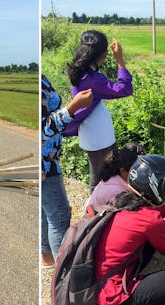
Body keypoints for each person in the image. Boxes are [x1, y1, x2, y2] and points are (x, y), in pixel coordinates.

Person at [94, 154, 165, 305]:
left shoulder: (121, 199)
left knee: (148, 243)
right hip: (111, 299)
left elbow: (142, 219)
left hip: (97, 284)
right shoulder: (150, 220)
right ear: (158, 188)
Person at [62, 30, 134, 193]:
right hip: (98, 137)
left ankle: (98, 209)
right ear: (104, 53)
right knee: (100, 179)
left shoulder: (82, 69)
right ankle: (93, 213)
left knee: (102, 176)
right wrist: (120, 60)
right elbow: (124, 89)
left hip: (94, 133)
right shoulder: (91, 78)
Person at [41, 73, 93, 268]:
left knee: (46, 210)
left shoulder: (41, 77)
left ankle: (47, 257)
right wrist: (73, 107)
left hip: (48, 157)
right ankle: (63, 275)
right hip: (45, 162)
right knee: (59, 216)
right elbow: (43, 127)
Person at [87, 142, 145, 209]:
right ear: (123, 171)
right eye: (136, 172)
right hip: (100, 218)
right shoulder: (116, 192)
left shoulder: (114, 175)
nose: (141, 174)